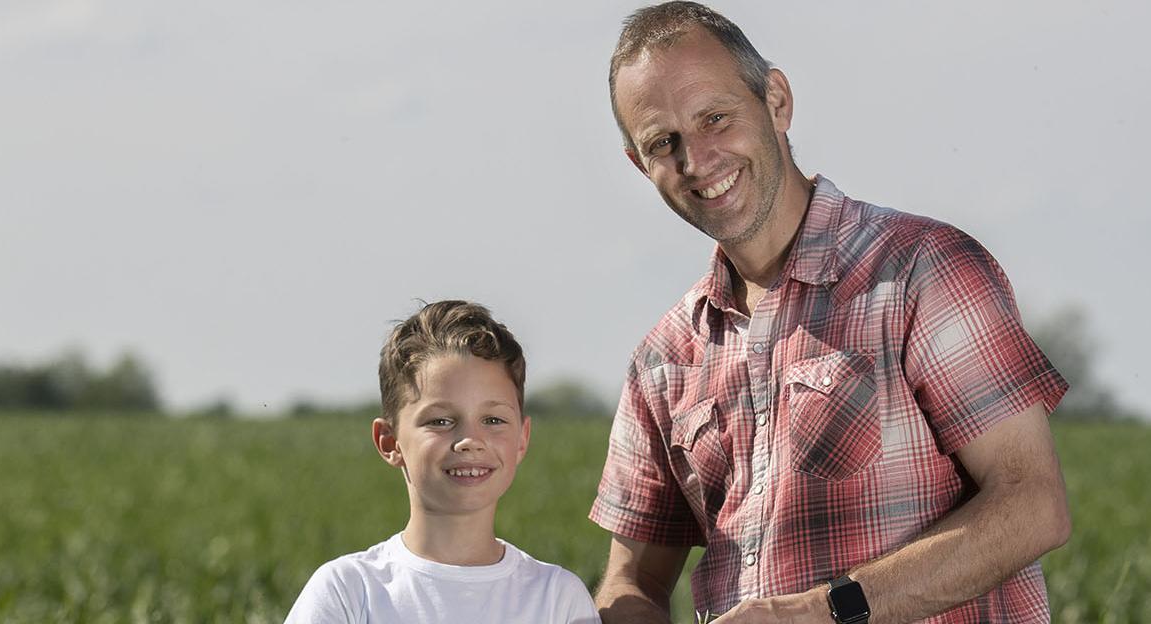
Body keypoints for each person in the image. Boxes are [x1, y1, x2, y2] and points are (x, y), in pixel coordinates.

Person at [590, 3, 1074, 623]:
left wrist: (823, 612)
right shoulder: (663, 359)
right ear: (639, 163)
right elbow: (631, 580)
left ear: (777, 101)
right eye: (664, 143)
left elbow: (1032, 503)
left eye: (716, 118)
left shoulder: (920, 270)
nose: (697, 159)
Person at [286, 300, 599, 624]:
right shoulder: (347, 591)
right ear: (389, 441)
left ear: (522, 438)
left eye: (493, 420)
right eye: (440, 421)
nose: (470, 440)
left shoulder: (557, 599)